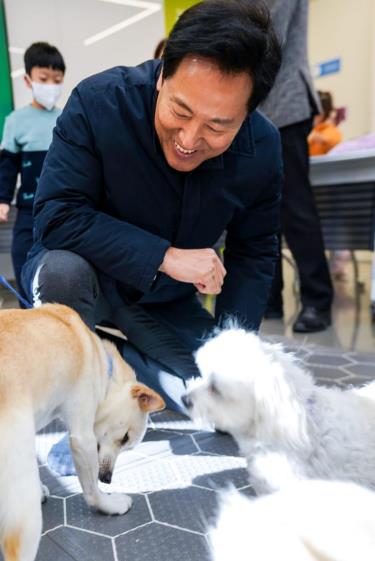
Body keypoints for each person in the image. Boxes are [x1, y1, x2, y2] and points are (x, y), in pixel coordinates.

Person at [22, 0, 282, 417]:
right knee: (64, 276)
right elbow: (57, 216)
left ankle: (111, 360)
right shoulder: (99, 102)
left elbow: (254, 252)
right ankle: (77, 367)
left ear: (248, 114)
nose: (190, 138)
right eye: (180, 110)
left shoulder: (263, 148)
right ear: (162, 74)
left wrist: (235, 351)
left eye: (218, 126)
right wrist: (164, 256)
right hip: (79, 276)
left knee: (221, 404)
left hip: (163, 302)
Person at [261, 0, 334, 333]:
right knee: (261, 212)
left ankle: (317, 301)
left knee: (295, 208)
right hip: (255, 112)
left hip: (285, 105)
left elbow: (264, 30)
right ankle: (269, 299)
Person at [0, 42, 65, 302]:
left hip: (63, 209)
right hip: (29, 210)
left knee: (60, 271)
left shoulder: (68, 117)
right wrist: (2, 200)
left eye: (57, 79)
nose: (51, 85)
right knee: (24, 262)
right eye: (44, 78)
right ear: (28, 80)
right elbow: (7, 165)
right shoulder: (16, 121)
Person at [308, 91, 343, 156]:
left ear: (321, 114)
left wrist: (322, 139)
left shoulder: (331, 131)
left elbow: (335, 145)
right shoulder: (310, 129)